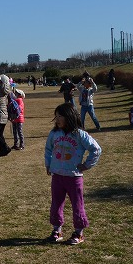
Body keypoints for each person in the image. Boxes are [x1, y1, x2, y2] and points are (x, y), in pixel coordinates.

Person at [44, 103, 102, 245]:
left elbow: (96, 149)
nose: (57, 119)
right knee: (56, 204)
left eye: (60, 116)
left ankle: (79, 233)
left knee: (77, 205)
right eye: (56, 116)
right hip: (57, 176)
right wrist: (48, 164)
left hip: (74, 177)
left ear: (69, 117)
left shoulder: (80, 135)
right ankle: (57, 230)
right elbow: (48, 150)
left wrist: (86, 165)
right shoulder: (54, 134)